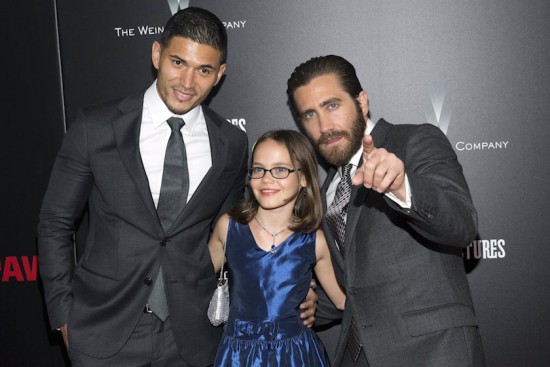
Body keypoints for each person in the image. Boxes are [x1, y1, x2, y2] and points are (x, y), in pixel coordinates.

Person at [36, 8, 319, 367]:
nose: (188, 82)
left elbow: (235, 234)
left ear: (219, 75)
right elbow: (55, 221)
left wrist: (288, 284)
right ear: (157, 54)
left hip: (193, 337)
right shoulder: (96, 127)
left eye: (203, 70)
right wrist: (63, 313)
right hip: (103, 331)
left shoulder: (231, 143)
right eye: (177, 62)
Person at [286, 55, 486, 367]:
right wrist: (314, 306)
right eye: (309, 115)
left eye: (332, 105)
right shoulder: (327, 189)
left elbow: (461, 225)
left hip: (434, 352)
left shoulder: (414, 140)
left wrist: (402, 186)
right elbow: (357, 281)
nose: (324, 126)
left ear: (361, 102)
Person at [208, 130, 346, 366]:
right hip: (237, 355)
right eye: (258, 169)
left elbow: (344, 302)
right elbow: (196, 285)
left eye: (280, 170)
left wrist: (308, 304)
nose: (266, 179)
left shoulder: (314, 240)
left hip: (297, 355)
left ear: (303, 178)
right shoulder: (228, 228)